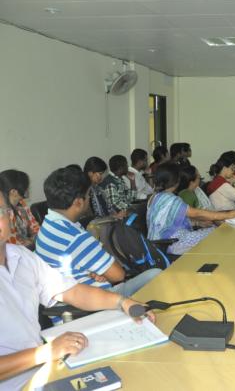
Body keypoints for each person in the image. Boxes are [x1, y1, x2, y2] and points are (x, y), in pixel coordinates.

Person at [0, 187, 154, 391]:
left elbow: (72, 291)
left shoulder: (21, 256)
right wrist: (45, 352)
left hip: (44, 371)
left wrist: (122, 302)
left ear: (9, 216)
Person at [35, 167, 161, 295]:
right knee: (156, 274)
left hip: (67, 295)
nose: (89, 199)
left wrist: (93, 272)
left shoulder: (47, 224)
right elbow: (118, 275)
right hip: (96, 300)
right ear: (78, 202)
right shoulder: (77, 237)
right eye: (88, 195)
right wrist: (102, 272)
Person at [147, 163, 235, 255]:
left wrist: (197, 223)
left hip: (159, 243)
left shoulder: (155, 196)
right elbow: (197, 214)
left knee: (214, 231)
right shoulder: (171, 200)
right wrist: (229, 215)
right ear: (176, 180)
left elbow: (169, 221)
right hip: (172, 243)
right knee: (216, 233)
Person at [0, 170, 39, 249]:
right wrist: (29, 243)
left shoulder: (21, 203)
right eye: (25, 188)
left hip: (28, 248)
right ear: (14, 192)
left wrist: (34, 238)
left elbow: (35, 226)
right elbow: (8, 244)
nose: (27, 190)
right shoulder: (2, 214)